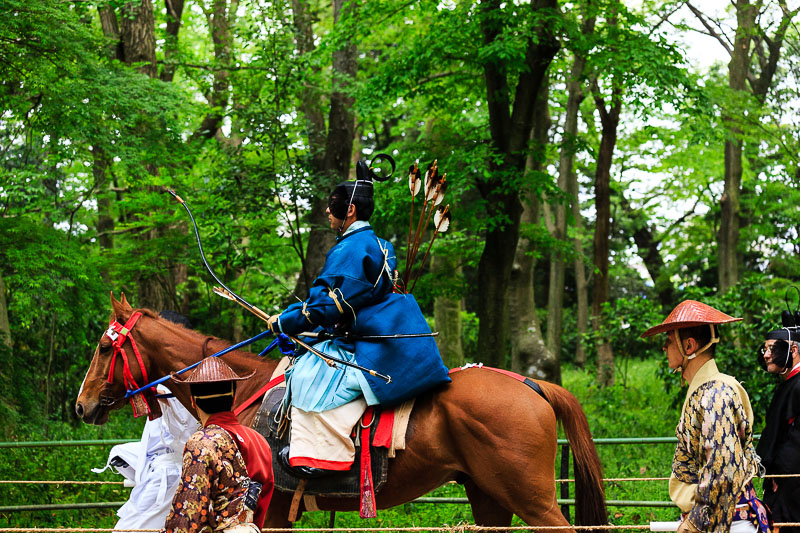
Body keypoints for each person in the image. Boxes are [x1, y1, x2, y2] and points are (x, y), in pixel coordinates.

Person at [267, 160, 451, 476]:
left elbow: (328, 306)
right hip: (379, 329)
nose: (327, 212)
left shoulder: (351, 248)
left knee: (307, 377)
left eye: (332, 206)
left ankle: (321, 458)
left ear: (350, 209)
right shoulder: (382, 244)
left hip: (366, 339)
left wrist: (286, 321)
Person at [641, 299, 771, 533]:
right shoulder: (714, 388)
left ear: (688, 346)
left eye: (669, 341)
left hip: (725, 524)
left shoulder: (713, 395)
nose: (664, 347)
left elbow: (722, 473)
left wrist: (695, 524)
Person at [163, 357, 274, 533]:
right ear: (234, 397)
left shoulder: (202, 443)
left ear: (193, 401)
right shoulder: (259, 441)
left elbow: (188, 515)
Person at [93, 388, 195, 532]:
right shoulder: (160, 397)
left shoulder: (181, 395)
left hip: (167, 478)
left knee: (130, 528)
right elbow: (154, 448)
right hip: (157, 473)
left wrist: (166, 398)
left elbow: (182, 441)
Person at [756, 326, 800, 533]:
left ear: (793, 350)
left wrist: (779, 474)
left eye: (773, 349)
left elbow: (795, 440)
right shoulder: (789, 383)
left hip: (791, 487)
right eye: (765, 349)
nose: (766, 355)